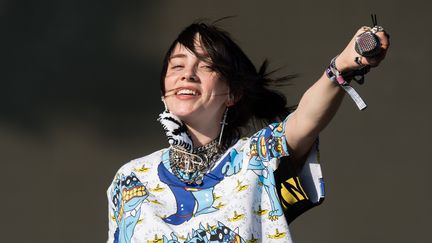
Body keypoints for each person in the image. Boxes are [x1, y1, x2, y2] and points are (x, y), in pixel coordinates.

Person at [107, 20, 389, 243]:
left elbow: (304, 121)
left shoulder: (254, 158)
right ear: (164, 92)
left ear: (232, 93)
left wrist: (341, 66)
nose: (187, 74)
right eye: (177, 65)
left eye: (205, 66)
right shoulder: (131, 178)